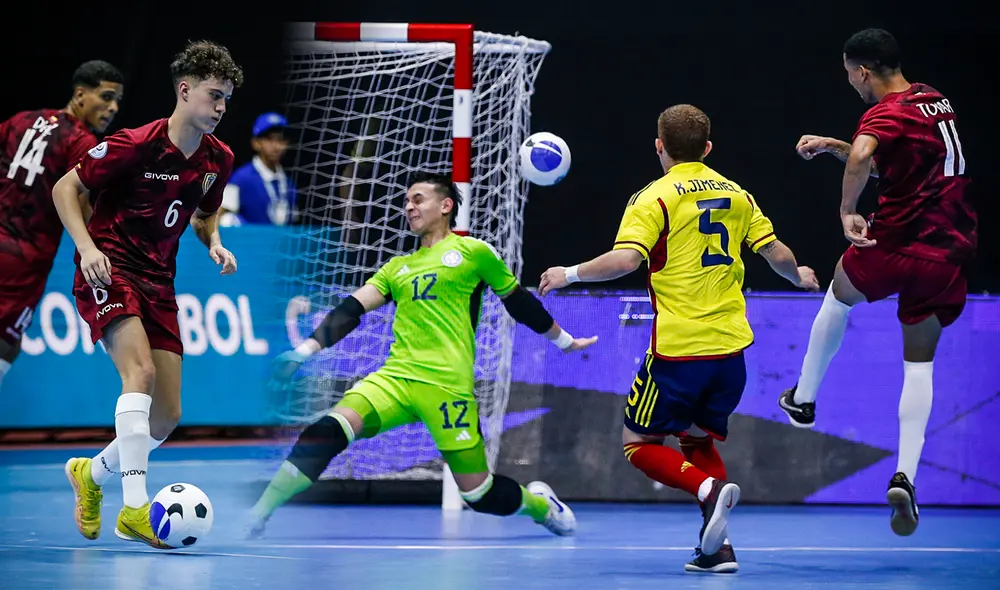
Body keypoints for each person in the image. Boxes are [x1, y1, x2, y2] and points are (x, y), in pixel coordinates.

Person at [539, 104, 819, 573]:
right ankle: (717, 551)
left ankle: (707, 491)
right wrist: (800, 277)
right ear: (707, 149)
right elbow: (775, 252)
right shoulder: (738, 194)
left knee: (638, 444)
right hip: (731, 352)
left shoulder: (654, 198)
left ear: (659, 146)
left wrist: (568, 273)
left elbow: (627, 260)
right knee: (695, 440)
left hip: (678, 351)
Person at [245, 172, 596, 539]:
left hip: (448, 388)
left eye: (418, 199)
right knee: (326, 432)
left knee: (478, 494)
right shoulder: (396, 269)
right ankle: (258, 514)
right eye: (407, 201)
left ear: (446, 206)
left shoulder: (473, 252)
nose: (409, 207)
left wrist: (565, 341)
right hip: (395, 380)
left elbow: (519, 303)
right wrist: (302, 353)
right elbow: (350, 310)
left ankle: (540, 505)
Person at [777, 28, 975, 537]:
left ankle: (804, 398)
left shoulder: (880, 113)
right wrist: (831, 146)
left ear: (862, 70)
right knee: (920, 365)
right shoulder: (935, 101)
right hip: (948, 252)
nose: (850, 83)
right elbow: (890, 161)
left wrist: (847, 211)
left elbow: (867, 155)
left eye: (849, 74)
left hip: (895, 244)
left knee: (838, 298)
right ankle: (906, 475)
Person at [52, 40, 244, 548]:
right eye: (213, 96)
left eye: (226, 99)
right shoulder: (135, 144)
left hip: (159, 279)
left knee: (168, 414)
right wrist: (87, 247)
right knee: (138, 373)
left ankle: (91, 475)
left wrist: (215, 243)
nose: (221, 107)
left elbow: (204, 216)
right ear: (185, 91)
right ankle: (135, 509)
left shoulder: (217, 159)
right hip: (108, 268)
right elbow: (64, 190)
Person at [0, 60, 124, 388]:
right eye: (106, 97)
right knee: (4, 343)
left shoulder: (20, 121)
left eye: (117, 102)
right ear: (80, 94)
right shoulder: (81, 142)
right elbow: (81, 206)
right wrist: (100, 246)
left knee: (10, 345)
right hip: (23, 261)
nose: (112, 108)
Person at [220, 112, 297, 226]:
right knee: (228, 220)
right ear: (256, 143)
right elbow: (219, 217)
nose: (276, 146)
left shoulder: (289, 184)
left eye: (281, 140)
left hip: (280, 242)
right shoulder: (240, 178)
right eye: (270, 139)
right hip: (249, 242)